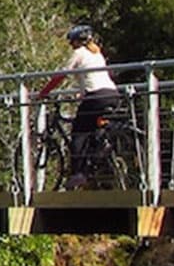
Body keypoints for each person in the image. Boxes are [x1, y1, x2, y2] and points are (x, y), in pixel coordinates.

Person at [36, 24, 120, 187]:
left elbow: (61, 75)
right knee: (93, 127)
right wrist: (81, 91)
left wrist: (44, 92)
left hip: (95, 96)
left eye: (71, 42)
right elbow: (96, 75)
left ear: (75, 42)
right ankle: (100, 147)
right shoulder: (97, 53)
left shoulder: (79, 53)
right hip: (112, 94)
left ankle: (78, 174)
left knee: (78, 133)